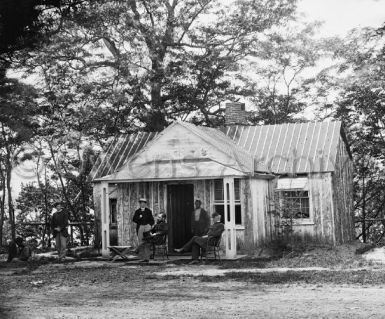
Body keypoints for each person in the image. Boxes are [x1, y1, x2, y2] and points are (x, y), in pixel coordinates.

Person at [132, 198, 154, 262]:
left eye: (144, 203)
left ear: (145, 204)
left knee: (147, 242)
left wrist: (149, 225)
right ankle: (142, 257)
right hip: (140, 227)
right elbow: (134, 220)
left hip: (147, 228)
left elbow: (152, 220)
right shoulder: (137, 211)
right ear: (140, 204)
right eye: (141, 203)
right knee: (141, 242)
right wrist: (139, 217)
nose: (142, 204)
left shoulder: (148, 211)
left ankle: (147, 257)